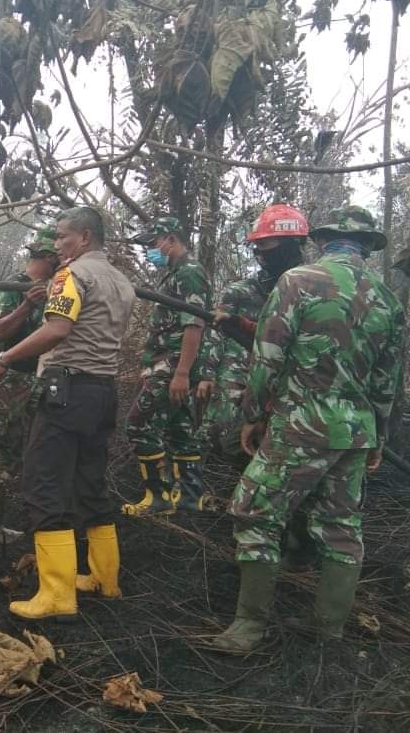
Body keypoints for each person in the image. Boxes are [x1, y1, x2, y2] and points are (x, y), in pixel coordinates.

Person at [212, 206, 404, 653]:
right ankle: (328, 631)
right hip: (355, 431)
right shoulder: (388, 300)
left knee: (254, 511)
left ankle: (248, 628)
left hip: (301, 422)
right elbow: (387, 380)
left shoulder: (297, 281)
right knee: (341, 525)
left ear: (323, 241)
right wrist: (377, 434)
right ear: (367, 249)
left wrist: (253, 414)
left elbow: (268, 355)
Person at [0, 207, 136, 620]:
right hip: (103, 391)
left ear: (85, 238)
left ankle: (56, 595)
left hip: (66, 389)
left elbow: (56, 330)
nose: (58, 245)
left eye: (63, 237)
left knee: (44, 484)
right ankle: (106, 578)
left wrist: (3, 358)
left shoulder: (72, 276)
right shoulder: (120, 280)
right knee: (90, 484)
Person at [198, 204, 309, 464]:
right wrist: (206, 374)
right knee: (221, 432)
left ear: (291, 245)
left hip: (289, 377)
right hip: (239, 369)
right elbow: (216, 333)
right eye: (257, 248)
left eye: (266, 246)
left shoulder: (310, 291)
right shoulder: (239, 291)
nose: (260, 254)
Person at [0, 225, 58, 544]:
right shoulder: (17, 286)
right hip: (7, 381)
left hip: (35, 379)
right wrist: (27, 305)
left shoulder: (60, 287)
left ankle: (23, 517)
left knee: (25, 449)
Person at [124, 217, 212, 514]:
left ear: (171, 239)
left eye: (152, 244)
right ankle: (189, 499)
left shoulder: (189, 273)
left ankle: (158, 498)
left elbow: (194, 323)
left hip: (174, 365)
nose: (149, 251)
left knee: (138, 424)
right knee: (180, 429)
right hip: (168, 364)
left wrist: (182, 372)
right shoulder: (175, 272)